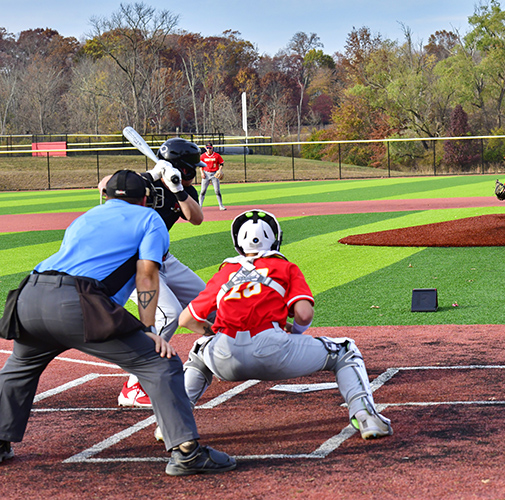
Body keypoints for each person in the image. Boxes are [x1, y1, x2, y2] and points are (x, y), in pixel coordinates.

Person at [0, 170, 235, 475]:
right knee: (160, 364)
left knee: (20, 368)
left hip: (28, 295)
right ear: (146, 199)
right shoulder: (149, 218)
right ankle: (187, 452)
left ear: (107, 195)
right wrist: (149, 330)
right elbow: (147, 275)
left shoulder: (86, 217)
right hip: (76, 302)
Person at [157, 210, 393, 442]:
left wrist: (214, 332)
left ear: (238, 243)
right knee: (345, 350)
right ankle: (366, 417)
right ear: (275, 240)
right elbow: (303, 313)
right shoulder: (285, 267)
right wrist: (296, 333)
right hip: (273, 350)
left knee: (199, 350)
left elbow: (186, 320)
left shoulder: (225, 272)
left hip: (223, 355)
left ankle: (172, 424)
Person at [99, 138, 209, 409]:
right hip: (137, 264)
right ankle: (133, 387)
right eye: (192, 167)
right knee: (168, 315)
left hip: (164, 259)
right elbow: (105, 186)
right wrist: (149, 176)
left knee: (208, 302)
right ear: (182, 166)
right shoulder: (140, 183)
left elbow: (196, 218)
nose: (196, 171)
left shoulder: (183, 186)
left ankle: (225, 353)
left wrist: (178, 189)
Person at [199, 142, 226, 211]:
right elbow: (200, 166)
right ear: (205, 148)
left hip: (214, 174)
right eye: (207, 148)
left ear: (212, 148)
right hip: (206, 174)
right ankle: (199, 206)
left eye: (210, 148)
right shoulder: (202, 156)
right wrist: (202, 173)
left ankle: (221, 205)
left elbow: (222, 163)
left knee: (217, 191)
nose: (208, 149)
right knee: (203, 191)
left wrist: (219, 170)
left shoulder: (216, 155)